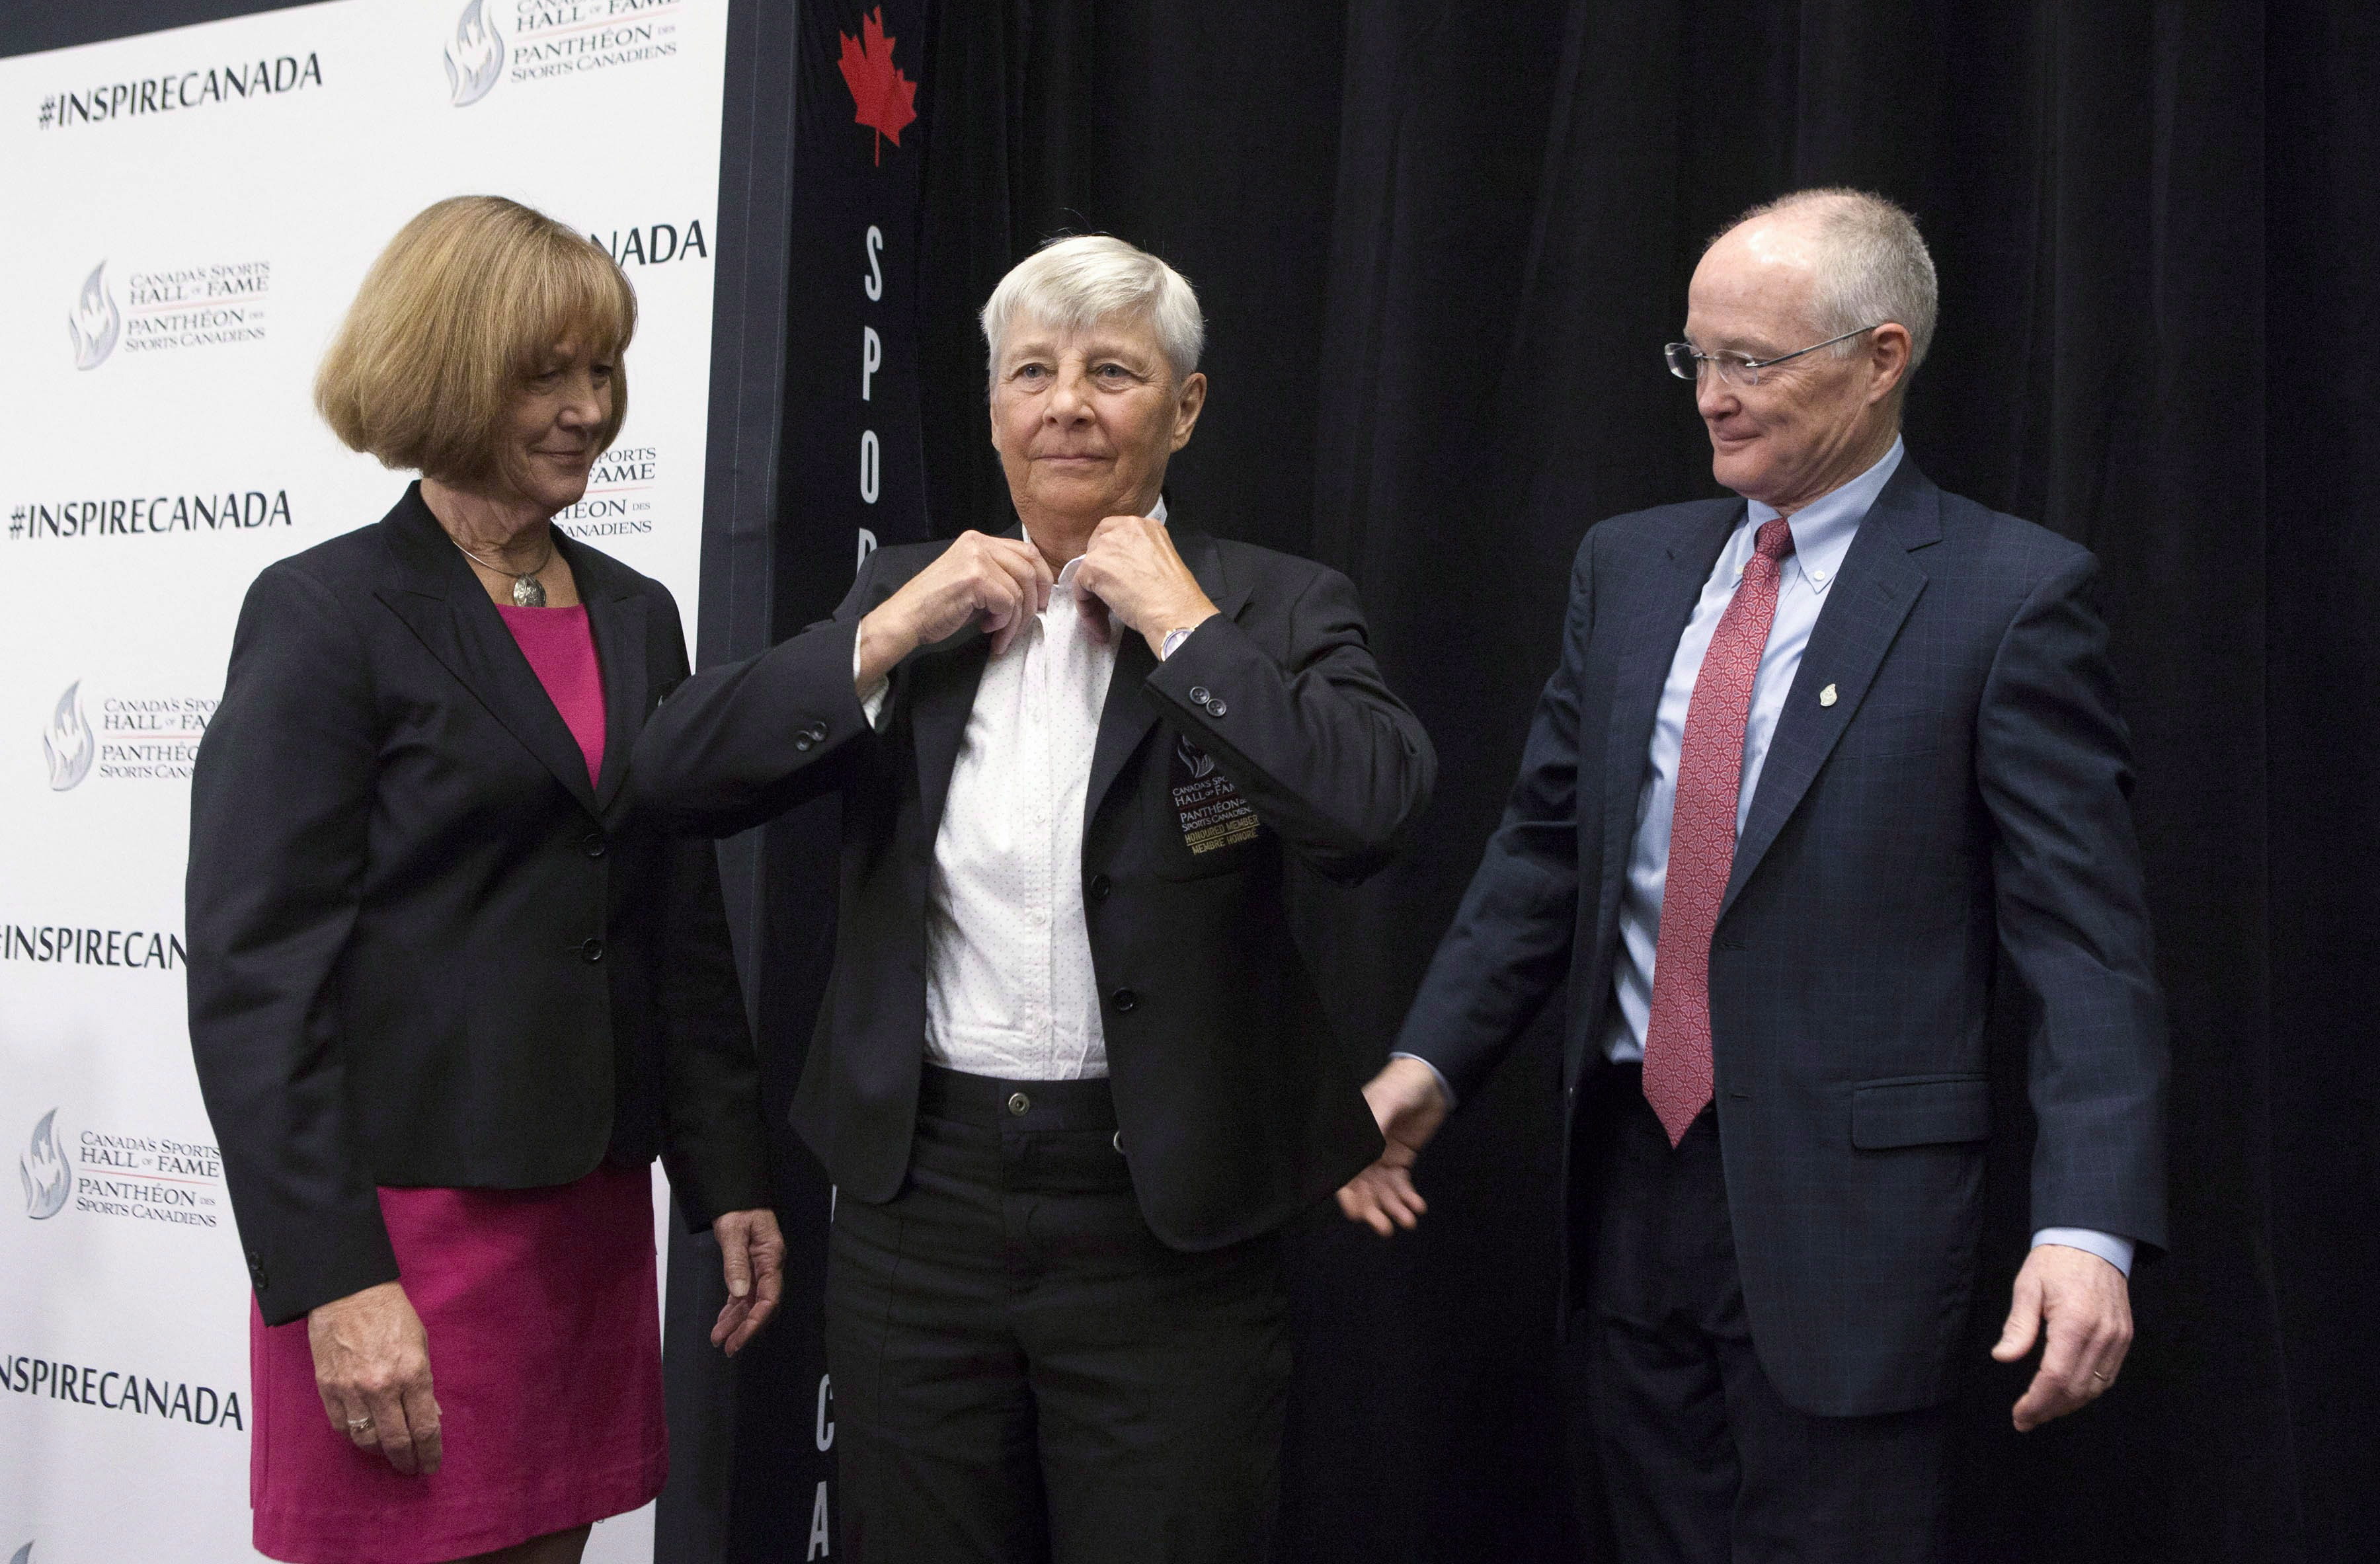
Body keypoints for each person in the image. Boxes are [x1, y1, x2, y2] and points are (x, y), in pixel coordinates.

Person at [1339, 189, 2168, 1561]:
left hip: (1850, 1228)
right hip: (1628, 1188)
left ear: (1883, 357)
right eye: (1697, 358)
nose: (1714, 398)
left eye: (1753, 361)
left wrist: (2091, 1224)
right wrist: (1426, 1069)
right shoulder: (1632, 565)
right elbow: (1548, 852)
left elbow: (2084, 947)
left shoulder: (2009, 596)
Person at [634, 233, 1433, 1563]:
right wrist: (883, 635)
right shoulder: (910, 593)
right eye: (1032, 372)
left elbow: (1372, 816)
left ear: (1183, 409)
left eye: (1111, 371)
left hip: (1165, 1215)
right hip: (922, 1206)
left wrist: (1189, 630)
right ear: (995, 407)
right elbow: (673, 775)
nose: (1067, 403)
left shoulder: (1277, 607)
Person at [186, 195, 783, 1564]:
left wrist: (727, 1170)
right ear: (450, 371)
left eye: (603, 371)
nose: (587, 408)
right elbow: (254, 975)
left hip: (582, 1222)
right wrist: (333, 1282)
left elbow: (672, 922)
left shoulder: (637, 611)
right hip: (403, 1235)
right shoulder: (325, 612)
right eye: (545, 373)